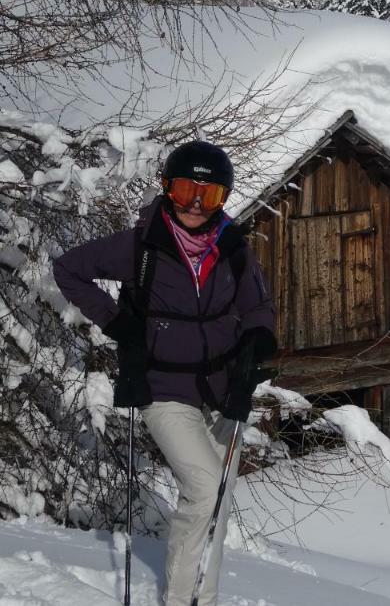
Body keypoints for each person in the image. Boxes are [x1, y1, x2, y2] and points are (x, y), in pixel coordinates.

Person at [53, 141, 277, 606]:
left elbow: (257, 305)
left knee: (216, 499)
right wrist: (116, 322)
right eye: (184, 189)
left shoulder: (233, 247)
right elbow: (69, 269)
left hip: (223, 388)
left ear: (224, 198)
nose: (196, 203)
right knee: (204, 486)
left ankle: (203, 598)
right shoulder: (141, 244)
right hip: (163, 386)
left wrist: (256, 345)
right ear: (166, 189)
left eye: (209, 194)